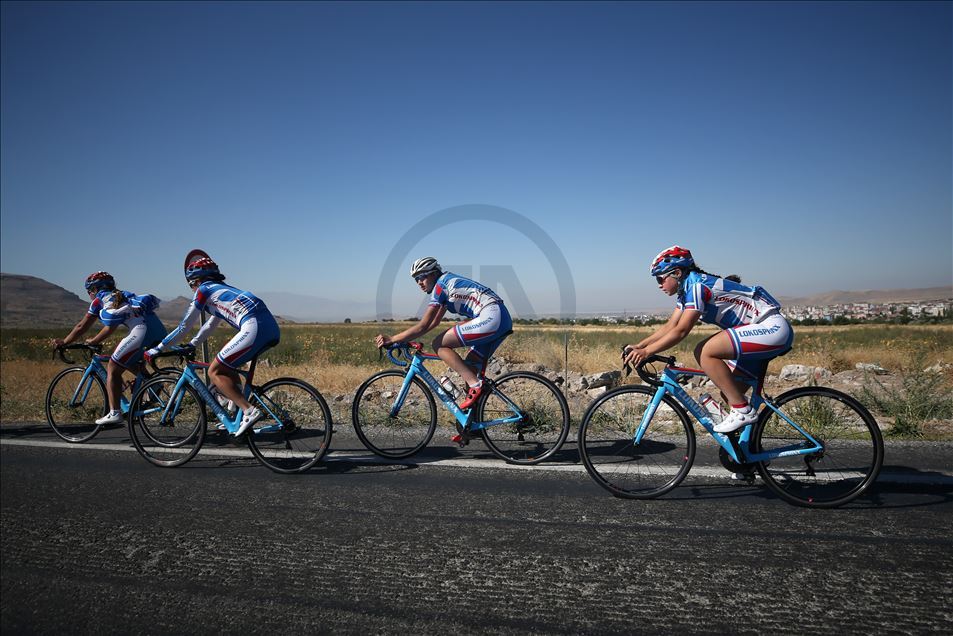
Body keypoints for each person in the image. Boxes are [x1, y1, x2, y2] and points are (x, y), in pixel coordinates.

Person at [623, 246, 794, 433]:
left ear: (677, 273)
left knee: (705, 351)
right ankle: (746, 451)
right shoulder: (687, 290)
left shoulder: (697, 287)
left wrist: (647, 352)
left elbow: (681, 331)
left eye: (660, 278)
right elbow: (669, 327)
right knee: (729, 391)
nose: (659, 284)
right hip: (759, 331)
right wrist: (639, 346)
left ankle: (743, 411)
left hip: (770, 328)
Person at [145, 257, 280, 436]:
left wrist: (158, 348)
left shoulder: (204, 290)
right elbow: (210, 325)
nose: (192, 288)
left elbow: (184, 326)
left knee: (214, 371)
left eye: (191, 283)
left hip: (254, 326)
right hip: (269, 327)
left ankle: (248, 411)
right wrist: (193, 344)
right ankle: (235, 412)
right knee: (226, 365)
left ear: (197, 281)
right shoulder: (222, 291)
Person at [375, 257, 513, 411]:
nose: (419, 282)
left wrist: (393, 338)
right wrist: (402, 340)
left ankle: (476, 385)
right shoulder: (447, 282)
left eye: (422, 276)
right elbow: (433, 323)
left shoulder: (440, 286)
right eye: (416, 279)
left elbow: (423, 325)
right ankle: (472, 426)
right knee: (471, 366)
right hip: (500, 317)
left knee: (438, 344)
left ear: (434, 273)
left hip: (492, 316)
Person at [53, 271, 168, 425]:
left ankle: (114, 412)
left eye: (89, 292)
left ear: (94, 289)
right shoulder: (123, 295)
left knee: (113, 368)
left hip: (141, 331)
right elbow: (113, 326)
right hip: (158, 330)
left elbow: (84, 326)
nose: (89, 295)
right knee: (132, 363)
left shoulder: (101, 300)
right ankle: (152, 385)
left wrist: (68, 342)